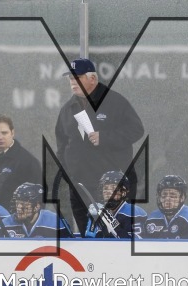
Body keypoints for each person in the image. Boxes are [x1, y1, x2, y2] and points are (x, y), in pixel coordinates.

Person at [55, 58, 144, 234]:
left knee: (113, 236)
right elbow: (62, 145)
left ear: (93, 79)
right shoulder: (67, 109)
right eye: (71, 79)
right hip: (81, 186)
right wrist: (70, 175)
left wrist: (105, 137)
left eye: (78, 78)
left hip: (110, 186)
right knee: (87, 235)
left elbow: (136, 129)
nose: (73, 82)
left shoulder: (114, 102)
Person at [0, 114, 41, 209]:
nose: (0, 137)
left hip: (13, 220)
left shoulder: (28, 161)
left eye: (4, 133)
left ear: (12, 133)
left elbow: (38, 196)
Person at [84, 171, 147, 239]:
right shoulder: (101, 212)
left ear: (123, 192)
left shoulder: (133, 212)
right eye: (105, 188)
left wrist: (111, 223)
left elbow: (137, 245)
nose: (108, 192)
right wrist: (92, 223)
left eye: (113, 188)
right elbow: (92, 243)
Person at [0, 182, 72, 238]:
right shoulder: (5, 224)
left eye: (24, 204)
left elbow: (69, 249)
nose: (19, 207)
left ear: (37, 206)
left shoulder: (55, 222)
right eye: (17, 203)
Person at [143, 175, 188, 239]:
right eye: (164, 195)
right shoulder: (152, 218)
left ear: (182, 198)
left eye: (172, 195)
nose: (167, 198)